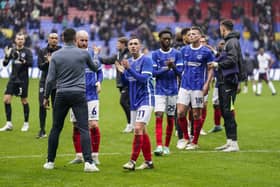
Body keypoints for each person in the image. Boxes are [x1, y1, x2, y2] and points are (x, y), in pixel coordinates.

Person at [42, 28, 99, 172]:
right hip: (79, 93)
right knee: (84, 128)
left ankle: (50, 161)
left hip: (61, 94)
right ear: (75, 39)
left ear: (62, 39)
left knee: (56, 128)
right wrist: (96, 56)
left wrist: (46, 96)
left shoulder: (55, 55)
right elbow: (94, 68)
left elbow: (50, 79)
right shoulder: (82, 53)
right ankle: (88, 163)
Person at [116, 36, 155, 171]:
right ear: (128, 47)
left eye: (135, 44)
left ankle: (132, 161)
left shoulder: (146, 60)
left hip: (146, 98)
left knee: (138, 129)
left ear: (140, 46)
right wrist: (123, 72)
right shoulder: (129, 62)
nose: (133, 46)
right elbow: (128, 81)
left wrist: (129, 69)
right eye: (130, 44)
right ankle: (149, 162)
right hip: (134, 100)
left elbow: (144, 79)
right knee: (142, 131)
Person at [69, 30, 103, 166]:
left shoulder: (93, 55)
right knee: (76, 125)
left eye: (86, 40)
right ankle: (79, 155)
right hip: (76, 94)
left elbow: (99, 72)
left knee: (93, 125)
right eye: (81, 40)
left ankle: (95, 155)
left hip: (92, 95)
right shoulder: (71, 56)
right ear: (75, 41)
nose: (84, 43)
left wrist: (99, 81)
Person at [177, 26, 214, 150]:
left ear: (199, 36)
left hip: (198, 87)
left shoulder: (206, 52)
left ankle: (195, 142)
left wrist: (207, 84)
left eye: (194, 34)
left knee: (196, 115)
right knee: (180, 112)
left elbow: (210, 69)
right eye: (190, 34)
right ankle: (186, 138)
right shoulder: (184, 50)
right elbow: (181, 67)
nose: (191, 36)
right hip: (184, 86)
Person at [210, 19, 243, 152]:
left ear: (223, 28)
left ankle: (234, 143)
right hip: (224, 81)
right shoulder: (230, 41)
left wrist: (217, 64)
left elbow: (233, 59)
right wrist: (217, 55)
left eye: (220, 28)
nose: (220, 30)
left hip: (229, 81)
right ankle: (229, 142)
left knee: (228, 111)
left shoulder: (232, 41)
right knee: (224, 111)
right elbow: (228, 57)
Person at [152, 29, 183, 156]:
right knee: (159, 115)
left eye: (169, 38)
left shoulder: (177, 54)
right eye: (164, 38)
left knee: (170, 118)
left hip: (173, 91)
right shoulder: (155, 54)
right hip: (159, 90)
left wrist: (173, 66)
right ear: (160, 40)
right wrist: (167, 68)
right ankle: (159, 145)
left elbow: (180, 72)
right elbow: (154, 73)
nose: (167, 40)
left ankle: (167, 146)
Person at [0, 33, 33, 132]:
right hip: (13, 79)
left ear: (24, 40)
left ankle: (26, 123)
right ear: (15, 40)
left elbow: (30, 63)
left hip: (22, 80)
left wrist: (21, 59)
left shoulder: (27, 51)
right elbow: (5, 64)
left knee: (24, 101)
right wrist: (6, 56)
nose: (20, 40)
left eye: (22, 39)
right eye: (18, 39)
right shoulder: (12, 50)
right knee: (6, 100)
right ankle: (9, 124)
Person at [99, 37, 132, 133]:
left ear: (123, 44)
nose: (117, 45)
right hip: (121, 83)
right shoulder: (118, 54)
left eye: (118, 43)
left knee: (123, 102)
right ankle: (134, 123)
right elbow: (107, 60)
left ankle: (130, 124)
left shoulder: (129, 54)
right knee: (129, 104)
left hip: (128, 82)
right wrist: (96, 56)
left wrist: (122, 67)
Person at [37, 33, 61, 138]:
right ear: (48, 39)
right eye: (52, 38)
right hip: (44, 82)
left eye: (56, 38)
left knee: (57, 108)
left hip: (57, 83)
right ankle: (42, 130)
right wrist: (48, 62)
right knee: (42, 105)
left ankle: (55, 130)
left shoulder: (61, 51)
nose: (54, 40)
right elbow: (40, 67)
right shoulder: (42, 51)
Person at [208, 39, 225, 133]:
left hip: (228, 84)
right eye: (220, 44)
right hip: (218, 83)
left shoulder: (228, 55)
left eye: (222, 44)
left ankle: (230, 123)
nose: (221, 45)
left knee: (229, 105)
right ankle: (217, 125)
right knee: (215, 104)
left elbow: (219, 59)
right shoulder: (219, 55)